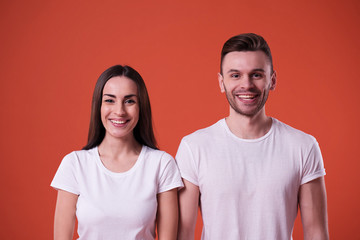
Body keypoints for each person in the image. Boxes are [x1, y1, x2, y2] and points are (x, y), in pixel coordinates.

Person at [176, 33, 329, 240]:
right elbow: (182, 234)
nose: (246, 85)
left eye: (256, 74)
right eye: (235, 75)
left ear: (272, 80)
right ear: (221, 82)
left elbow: (316, 233)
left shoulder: (303, 146)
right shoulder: (193, 147)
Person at [51, 65, 183, 240]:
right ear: (98, 106)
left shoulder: (161, 164)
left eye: (129, 101)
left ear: (141, 107)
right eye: (110, 100)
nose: (119, 111)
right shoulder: (75, 163)